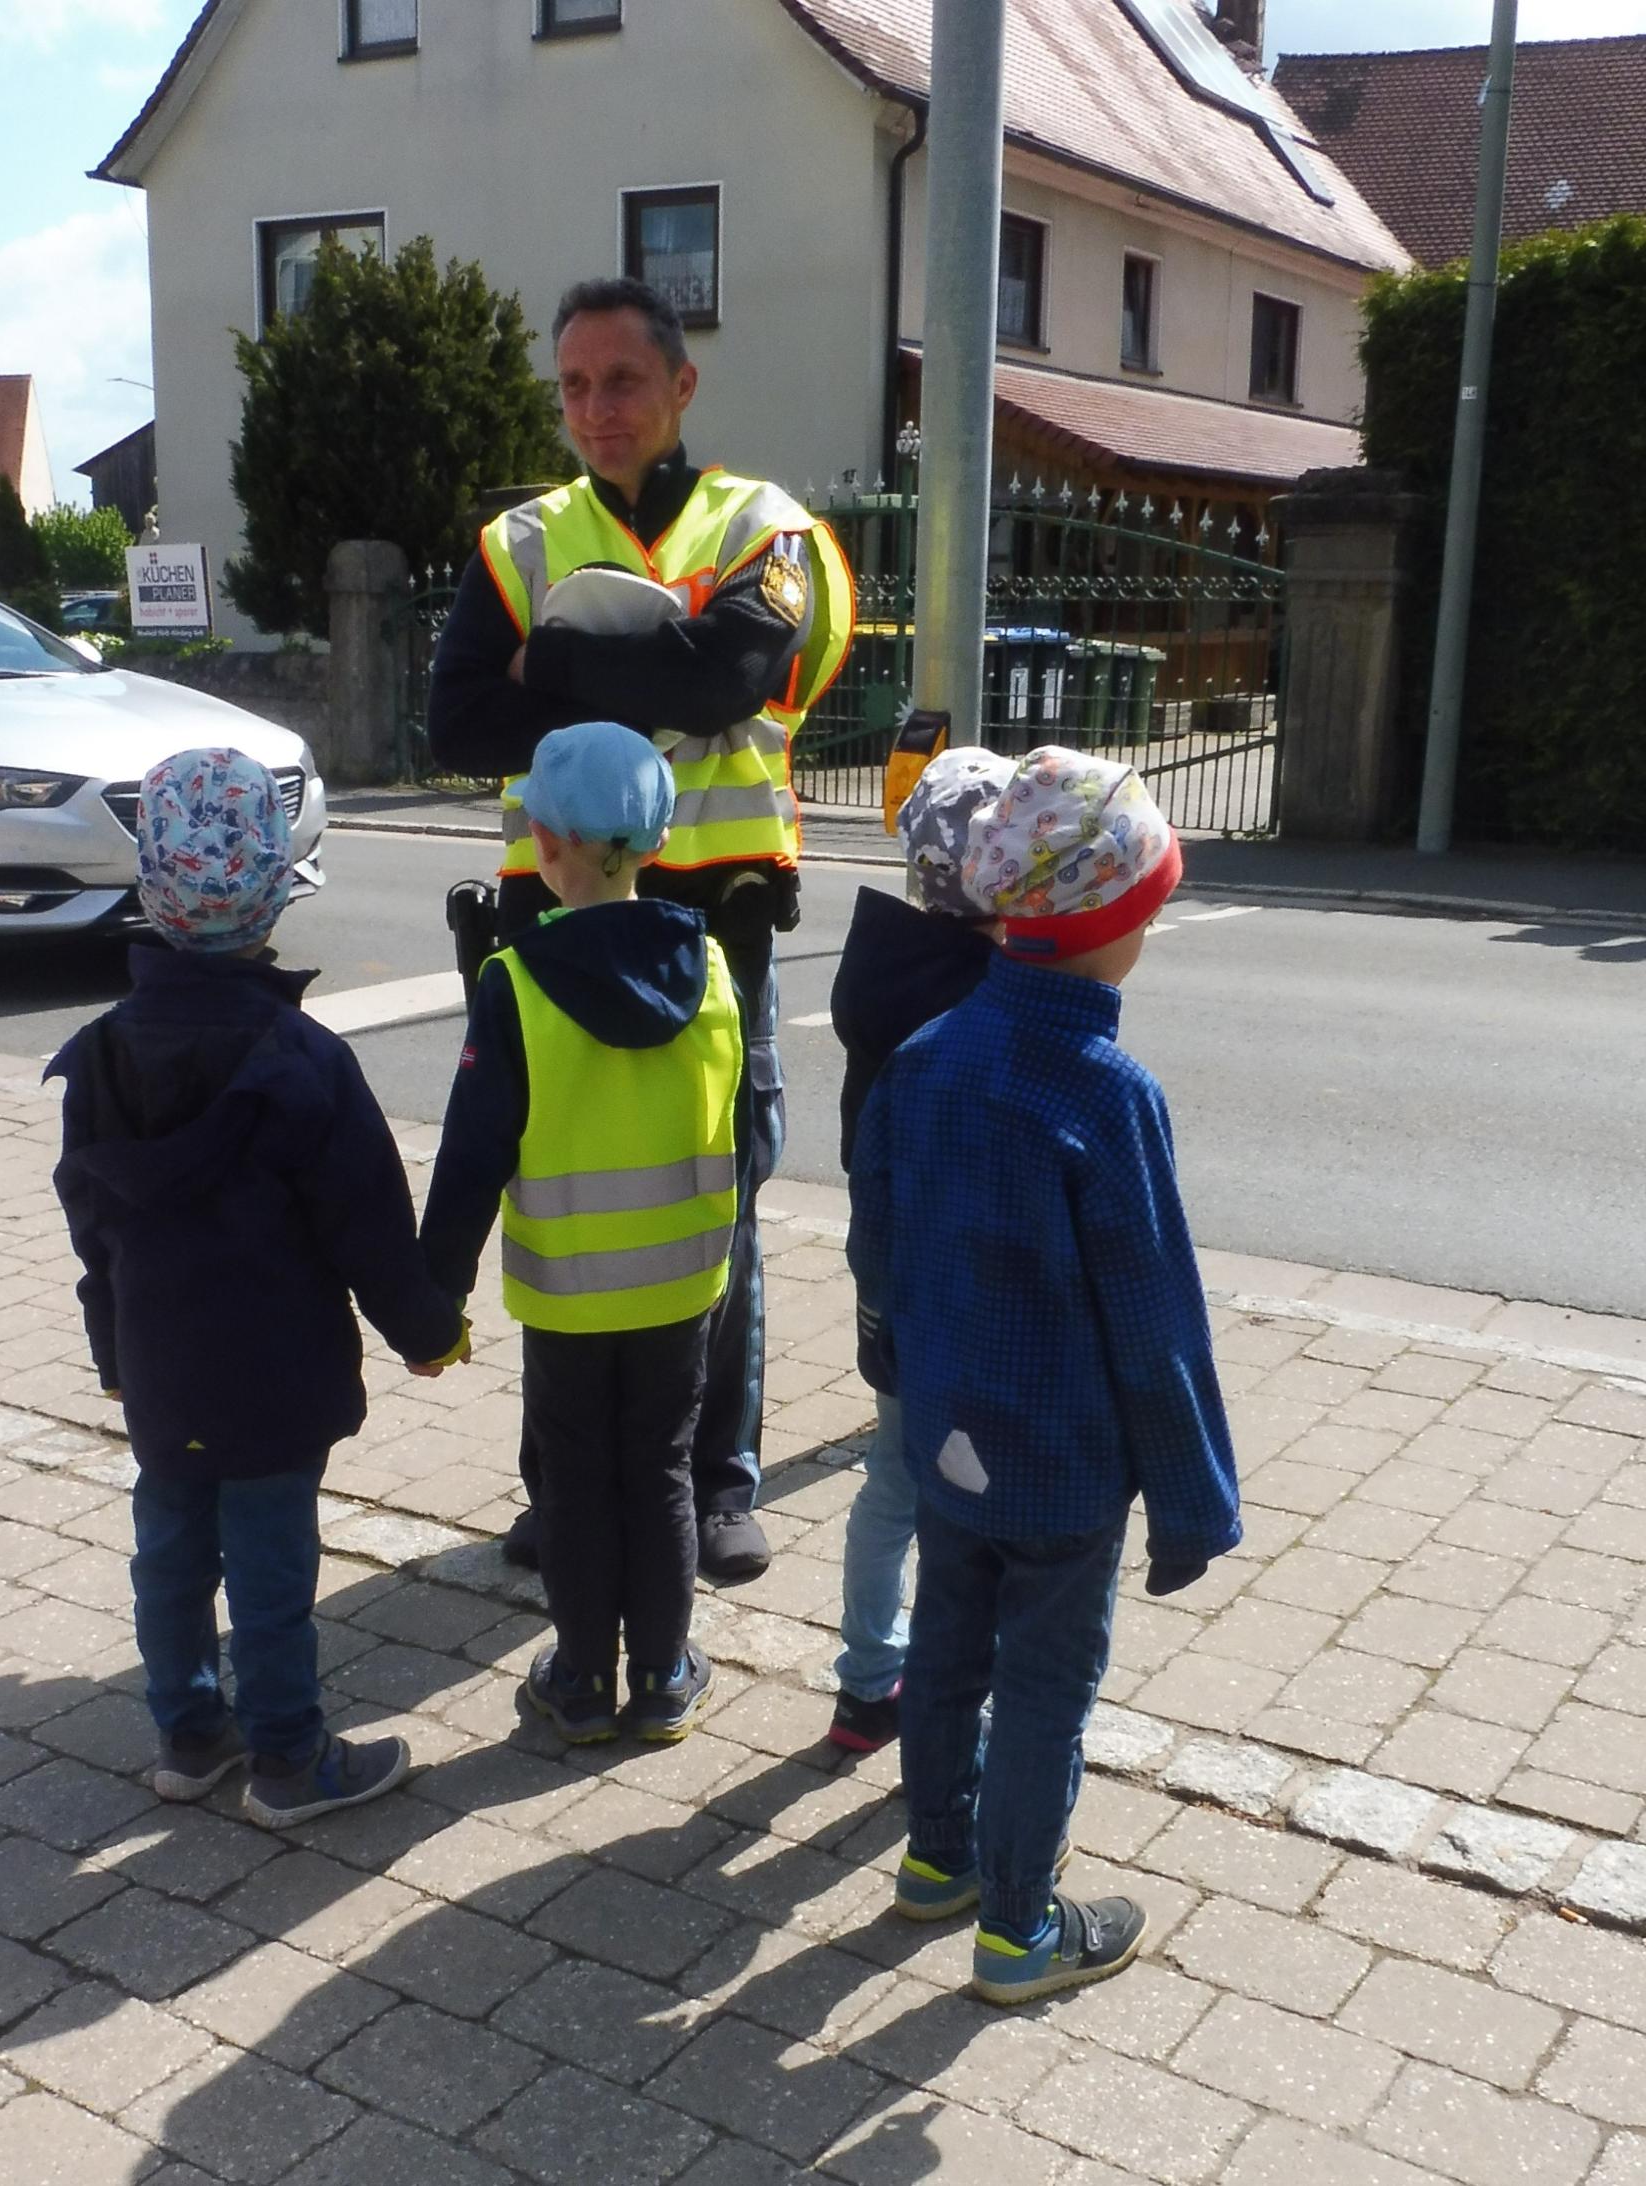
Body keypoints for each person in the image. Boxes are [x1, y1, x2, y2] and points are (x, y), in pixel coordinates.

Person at [426, 274, 853, 1585]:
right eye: (571, 385)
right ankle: (561, 1488)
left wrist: (544, 670)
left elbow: (730, 671)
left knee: (711, 1207)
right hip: (546, 935)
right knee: (558, 1205)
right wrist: (652, 681)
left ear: (680, 385)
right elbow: (452, 727)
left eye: (619, 380)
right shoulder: (518, 541)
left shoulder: (769, 530)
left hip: (711, 933)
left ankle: (714, 1481)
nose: (593, 408)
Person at [848, 747, 1241, 2006]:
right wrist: (1193, 1504)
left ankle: (934, 1855)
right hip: (1064, 1464)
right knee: (1044, 1687)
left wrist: (903, 1372)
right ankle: (1020, 1924)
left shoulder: (927, 1055)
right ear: (1112, 922)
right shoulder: (1110, 1092)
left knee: (952, 1644)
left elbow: (880, 1245)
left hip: (949, 1434)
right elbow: (1155, 1319)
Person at [47, 749, 468, 1827]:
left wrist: (110, 1350)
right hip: (276, 1376)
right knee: (272, 1567)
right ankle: (290, 1756)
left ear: (152, 890)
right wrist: (427, 1328)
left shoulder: (98, 1058)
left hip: (160, 1363)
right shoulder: (302, 1061)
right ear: (278, 888)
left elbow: (94, 1228)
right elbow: (366, 1224)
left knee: (172, 1548)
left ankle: (190, 1734)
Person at [421, 722, 743, 1744]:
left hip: (565, 1293)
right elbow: (744, 1122)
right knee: (660, 1468)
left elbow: (473, 1155)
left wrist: (436, 1295)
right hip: (681, 1289)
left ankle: (576, 1675)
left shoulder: (515, 985)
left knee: (575, 1476)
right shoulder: (717, 971)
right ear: (653, 841)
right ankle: (660, 1675)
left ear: (545, 846)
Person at [825, 748, 1015, 1755]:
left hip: (885, 1261)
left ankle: (865, 1681)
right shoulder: (985, 998)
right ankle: (953, 1702)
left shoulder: (883, 964)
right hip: (965, 1281)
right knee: (964, 1492)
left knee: (891, 1476)